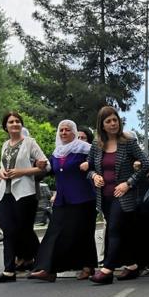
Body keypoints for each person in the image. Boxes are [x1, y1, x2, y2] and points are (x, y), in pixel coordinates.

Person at [28, 120, 97, 282]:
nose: (64, 133)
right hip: (62, 199)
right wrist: (39, 166)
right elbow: (48, 170)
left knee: (83, 233)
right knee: (54, 233)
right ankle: (48, 269)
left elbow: (98, 163)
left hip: (83, 198)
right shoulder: (57, 152)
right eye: (61, 130)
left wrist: (90, 163)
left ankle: (88, 266)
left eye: (67, 130)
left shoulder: (85, 149)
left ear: (74, 132)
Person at [85, 106, 147, 284]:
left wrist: (128, 183)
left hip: (123, 195)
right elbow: (88, 167)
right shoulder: (97, 145)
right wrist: (94, 176)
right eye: (108, 121)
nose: (113, 124)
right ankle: (133, 266)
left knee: (114, 230)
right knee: (123, 231)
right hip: (104, 196)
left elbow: (145, 163)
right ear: (102, 125)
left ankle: (107, 269)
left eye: (115, 120)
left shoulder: (128, 142)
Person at [0, 112, 48, 283]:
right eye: (11, 122)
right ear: (5, 126)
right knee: (8, 230)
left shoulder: (30, 143)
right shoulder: (5, 144)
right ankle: (9, 271)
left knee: (25, 231)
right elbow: (3, 166)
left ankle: (44, 265)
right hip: (6, 193)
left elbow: (44, 165)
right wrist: (1, 172)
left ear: (21, 125)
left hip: (24, 193)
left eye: (17, 121)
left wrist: (21, 172)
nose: (14, 124)